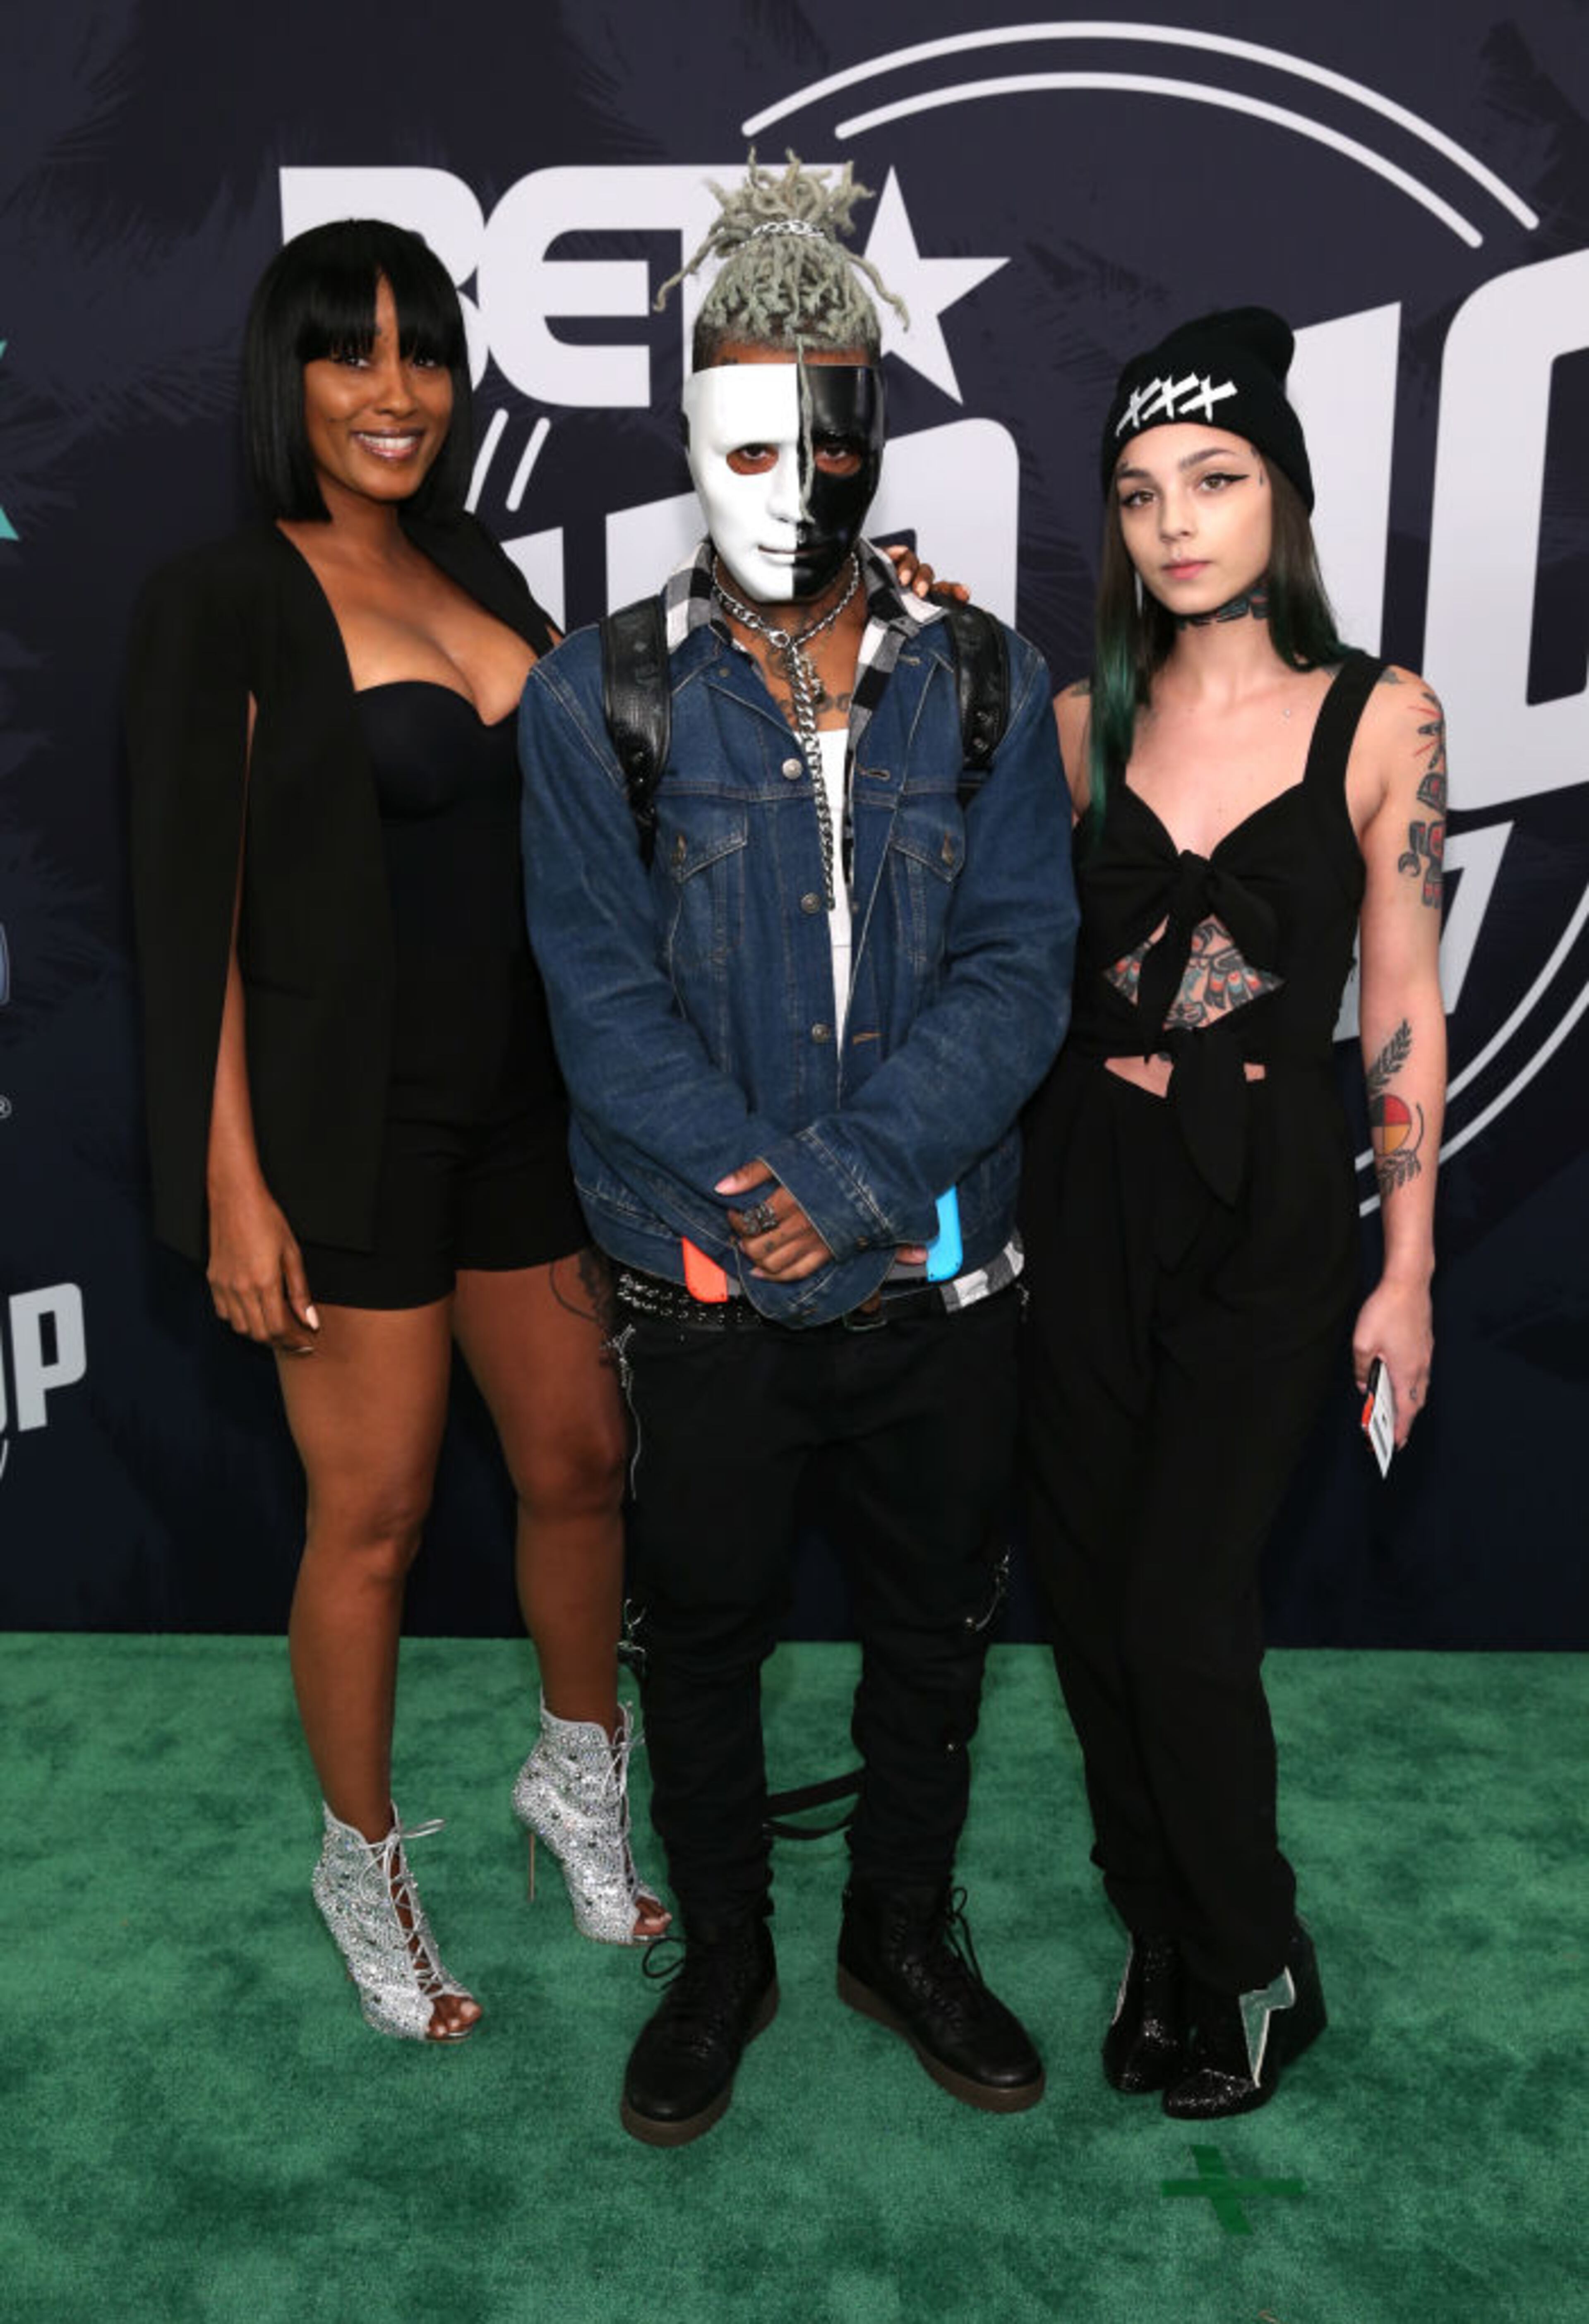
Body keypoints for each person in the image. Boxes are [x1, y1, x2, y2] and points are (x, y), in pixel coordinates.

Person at [519, 153, 1077, 2147]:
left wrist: (844, 1191)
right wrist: (768, 1208)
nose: (794, 473)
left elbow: (1022, 976)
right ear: (693, 434)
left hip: (941, 1275)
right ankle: (734, 1951)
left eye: (830, 424)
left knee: (939, 1624)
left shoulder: (987, 675)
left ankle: (899, 1932)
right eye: (749, 425)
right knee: (709, 1634)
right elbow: (602, 1009)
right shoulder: (598, 699)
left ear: (874, 432)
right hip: (707, 1291)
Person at [124, 218, 668, 2046]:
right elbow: (184, 917)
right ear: (287, 381)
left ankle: (577, 1788)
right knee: (375, 1511)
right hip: (337, 1131)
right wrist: (230, 1181)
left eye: (424, 353)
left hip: (526, 1110)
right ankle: (359, 1864)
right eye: (351, 353)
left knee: (585, 1457)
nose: (395, 391)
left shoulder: (478, 564)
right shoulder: (226, 599)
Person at [1020, 307, 1446, 2117]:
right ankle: (1157, 1923)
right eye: (1139, 493)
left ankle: (1256, 1948)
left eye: (1215, 478)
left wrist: (1408, 1270)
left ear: (1283, 490)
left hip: (1270, 1203)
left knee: (1191, 1614)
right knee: (1097, 1613)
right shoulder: (1069, 723)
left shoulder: (1383, 714)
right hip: (1085, 1189)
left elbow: (1408, 1000)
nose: (1177, 521)